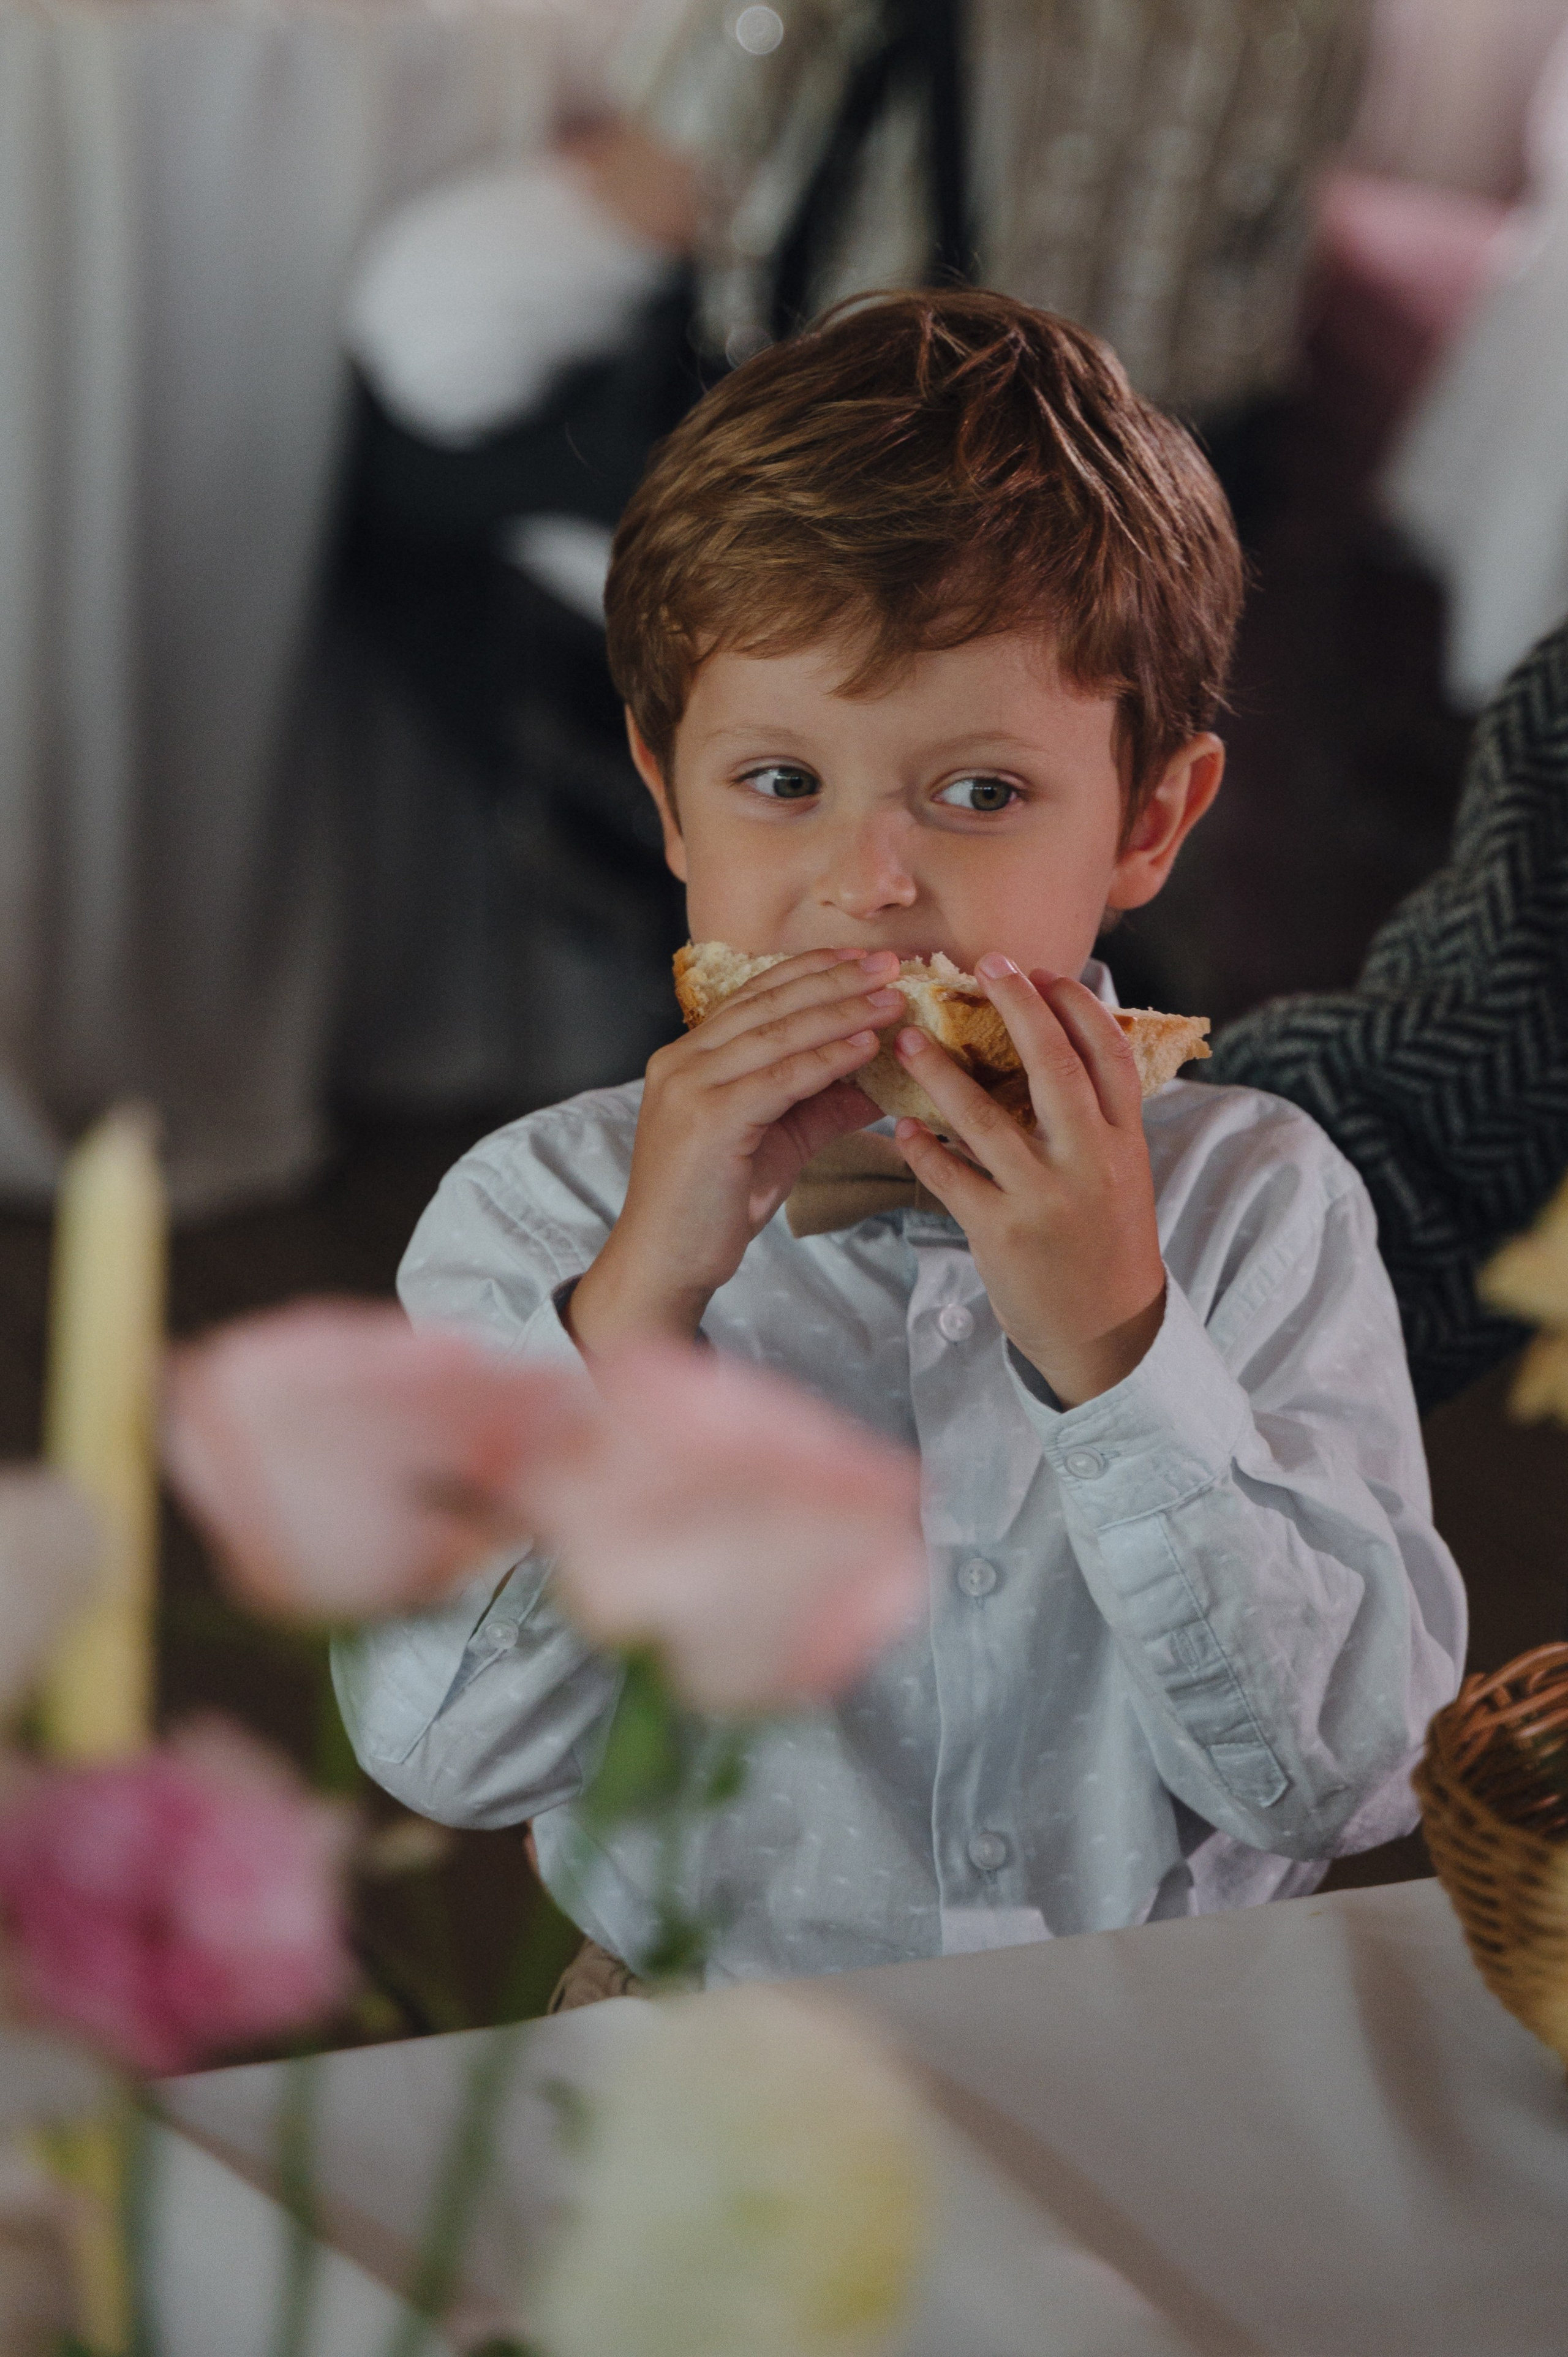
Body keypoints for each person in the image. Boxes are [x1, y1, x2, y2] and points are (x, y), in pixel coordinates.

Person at [333, 290, 1464, 1986]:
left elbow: (1346, 1784)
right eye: (782, 783)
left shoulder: (1253, 1208)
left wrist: (1118, 1352)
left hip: (1163, 2053)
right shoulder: (539, 1219)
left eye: (982, 793)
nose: (868, 884)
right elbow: (438, 1749)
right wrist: (633, 1317)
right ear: (666, 796)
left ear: (1150, 823)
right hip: (697, 2056)